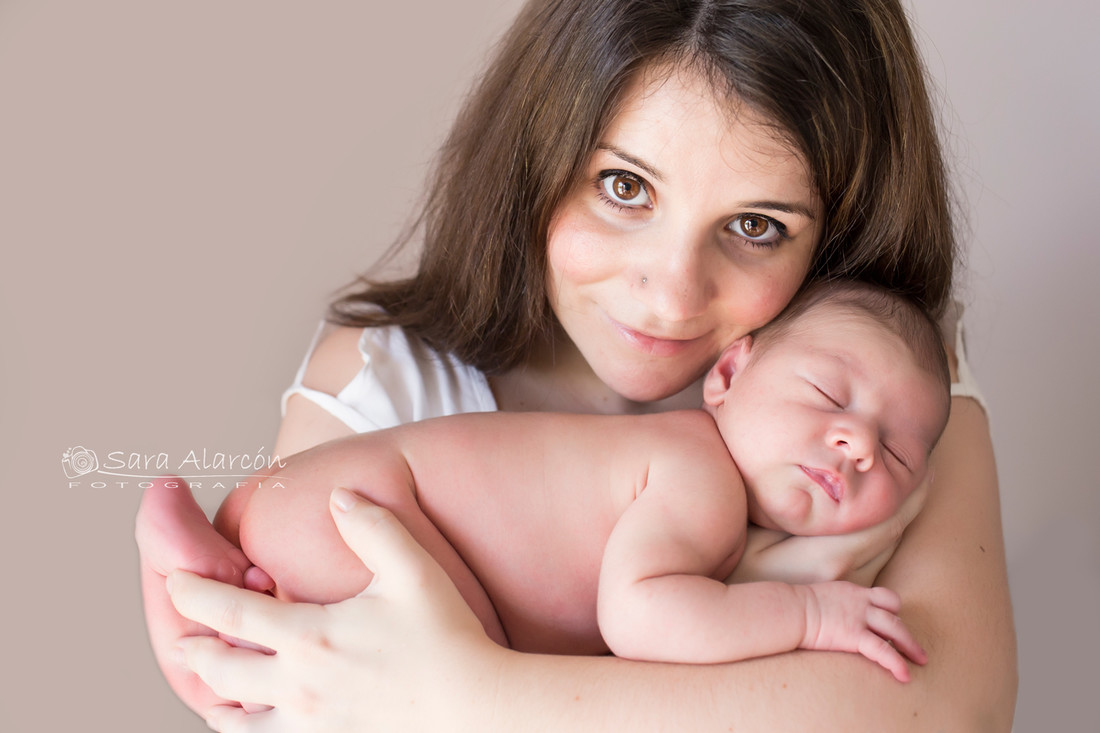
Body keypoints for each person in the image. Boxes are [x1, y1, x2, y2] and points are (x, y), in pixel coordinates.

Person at [137, 0, 1017, 729]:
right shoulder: (381, 379)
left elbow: (947, 713)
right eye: (625, 187)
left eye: (757, 227)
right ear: (537, 159)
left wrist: (472, 694)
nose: (670, 296)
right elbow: (299, 692)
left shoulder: (883, 388)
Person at [206, 281, 947, 683]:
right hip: (362, 511)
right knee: (463, 672)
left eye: (898, 454)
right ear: (727, 374)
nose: (857, 444)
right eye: (827, 395)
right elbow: (639, 618)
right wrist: (810, 615)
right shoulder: (700, 478)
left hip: (303, 504)